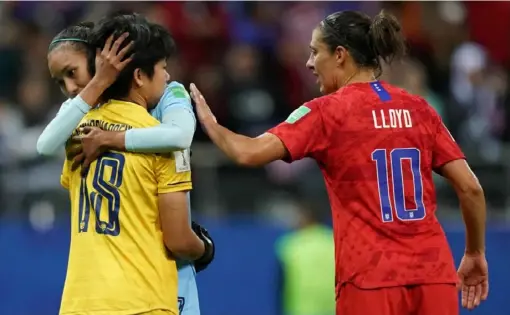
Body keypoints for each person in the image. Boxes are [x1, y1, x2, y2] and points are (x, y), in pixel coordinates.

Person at [189, 10, 488, 315]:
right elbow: (471, 189)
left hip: (369, 278)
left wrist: (210, 124)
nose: (309, 63)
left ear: (341, 55)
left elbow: (247, 152)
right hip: (433, 275)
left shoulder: (327, 113)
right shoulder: (420, 108)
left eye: (315, 52)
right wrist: (475, 252)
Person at [41, 16, 212, 315]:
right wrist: (205, 248)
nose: (167, 76)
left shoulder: (78, 133)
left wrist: (112, 138)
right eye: (161, 68)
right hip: (143, 300)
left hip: (80, 303)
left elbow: (45, 146)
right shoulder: (166, 144)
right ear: (139, 76)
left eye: (73, 73)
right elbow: (178, 239)